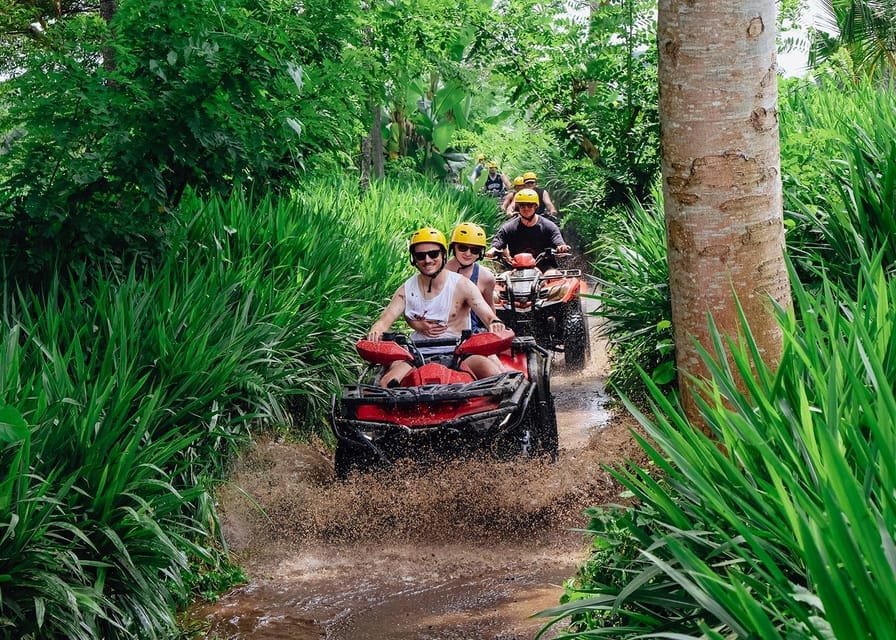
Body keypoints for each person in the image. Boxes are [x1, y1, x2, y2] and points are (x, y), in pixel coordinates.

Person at [367, 227, 507, 387]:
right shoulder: (406, 289)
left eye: (433, 254)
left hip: (459, 351)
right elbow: (385, 320)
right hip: (416, 353)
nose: (427, 260)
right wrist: (376, 330)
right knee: (386, 383)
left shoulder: (463, 285)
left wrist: (495, 323)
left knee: (496, 376)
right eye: (421, 256)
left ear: (443, 255)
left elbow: (487, 314)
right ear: (414, 259)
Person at [485, 189, 570, 270]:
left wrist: (561, 248)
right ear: (518, 207)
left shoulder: (549, 226)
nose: (526, 208)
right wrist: (492, 251)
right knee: (501, 280)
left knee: (553, 275)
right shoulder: (508, 227)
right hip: (516, 268)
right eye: (522, 205)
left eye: (529, 205)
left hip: (545, 267)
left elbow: (558, 242)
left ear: (536, 206)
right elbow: (497, 243)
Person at [446, 222, 497, 332]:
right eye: (462, 248)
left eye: (475, 250)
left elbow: (490, 309)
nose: (468, 254)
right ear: (453, 247)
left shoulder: (486, 278)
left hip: (472, 334)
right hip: (440, 332)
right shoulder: (439, 272)